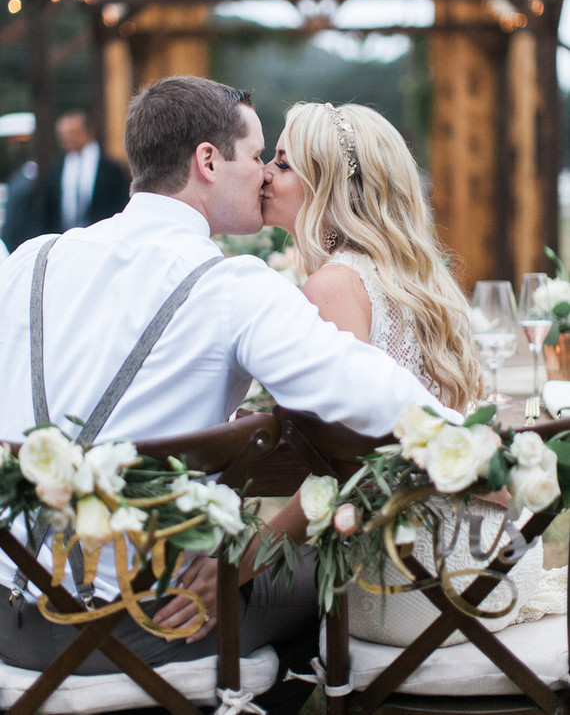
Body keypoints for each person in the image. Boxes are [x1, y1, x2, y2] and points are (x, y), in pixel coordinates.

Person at [0, 77, 459, 706]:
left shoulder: (30, 260)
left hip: (10, 618)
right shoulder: (231, 288)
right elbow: (364, 387)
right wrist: (476, 446)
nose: (264, 176)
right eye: (256, 155)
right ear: (209, 161)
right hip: (151, 624)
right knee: (327, 575)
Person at [262, 100, 548, 646]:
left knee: (250, 594)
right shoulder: (416, 278)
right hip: (496, 558)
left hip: (415, 581)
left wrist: (246, 559)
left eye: (283, 161)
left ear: (326, 184)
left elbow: (342, 472)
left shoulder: (334, 286)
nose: (265, 174)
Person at [41, 110, 130, 233]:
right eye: (63, 135)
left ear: (88, 132)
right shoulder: (56, 168)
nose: (68, 139)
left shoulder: (110, 170)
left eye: (73, 133)